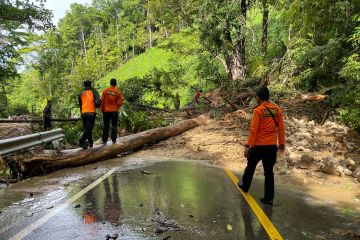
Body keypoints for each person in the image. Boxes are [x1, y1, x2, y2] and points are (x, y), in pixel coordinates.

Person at [238, 86, 285, 206]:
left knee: (251, 166)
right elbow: (281, 128)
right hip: (271, 146)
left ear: (258, 98)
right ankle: (268, 198)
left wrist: (248, 146)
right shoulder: (277, 110)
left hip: (258, 146)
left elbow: (254, 130)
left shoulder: (258, 111)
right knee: (269, 172)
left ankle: (245, 185)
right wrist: (282, 144)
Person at [79, 80, 101, 149]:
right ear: (90, 85)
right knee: (89, 128)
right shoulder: (93, 92)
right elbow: (99, 102)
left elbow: (80, 104)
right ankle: (81, 141)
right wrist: (96, 105)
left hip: (83, 112)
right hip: (91, 112)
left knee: (87, 128)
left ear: (84, 85)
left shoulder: (81, 93)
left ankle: (90, 143)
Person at [100, 78, 123, 144]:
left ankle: (104, 140)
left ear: (110, 83)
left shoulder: (105, 91)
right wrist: (116, 107)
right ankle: (114, 140)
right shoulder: (117, 92)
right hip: (114, 111)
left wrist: (102, 109)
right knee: (114, 125)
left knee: (106, 126)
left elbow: (102, 102)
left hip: (106, 111)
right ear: (116, 84)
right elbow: (120, 102)